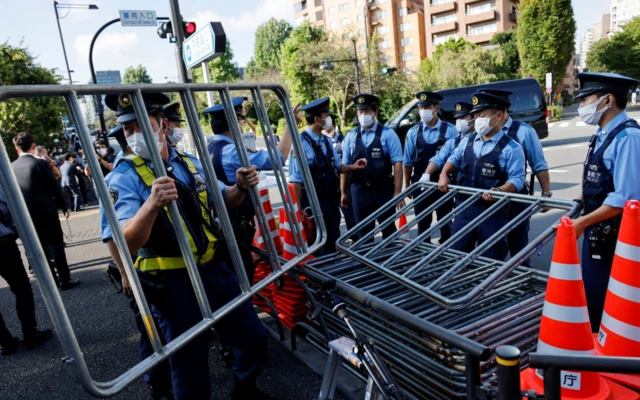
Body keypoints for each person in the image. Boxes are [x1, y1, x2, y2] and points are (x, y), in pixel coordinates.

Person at [103, 92, 268, 399]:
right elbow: (127, 241)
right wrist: (151, 204)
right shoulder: (123, 176)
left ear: (162, 125)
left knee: (254, 336)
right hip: (173, 284)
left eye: (142, 125)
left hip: (215, 271)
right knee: (188, 366)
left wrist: (241, 186)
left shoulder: (190, 163)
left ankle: (245, 388)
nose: (134, 134)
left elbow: (225, 199)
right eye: (128, 129)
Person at [569, 72, 640, 332]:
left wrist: (582, 223)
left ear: (607, 100)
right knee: (593, 295)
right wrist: (579, 203)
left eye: (586, 99)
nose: (582, 107)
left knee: (612, 303)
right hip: (599, 231)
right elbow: (598, 182)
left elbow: (627, 197)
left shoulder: (628, 138)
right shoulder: (602, 134)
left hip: (618, 238)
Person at [205, 96, 297, 281]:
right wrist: (290, 125)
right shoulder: (232, 151)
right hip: (236, 226)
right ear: (235, 121)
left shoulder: (211, 147)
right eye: (240, 119)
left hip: (219, 226)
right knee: (242, 277)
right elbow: (277, 159)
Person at [437, 91, 526, 260]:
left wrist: (500, 190)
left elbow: (517, 179)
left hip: (493, 212)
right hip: (465, 207)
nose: (477, 120)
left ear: (498, 116)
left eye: (482, 115)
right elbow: (453, 160)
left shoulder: (512, 148)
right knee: (456, 254)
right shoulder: (467, 141)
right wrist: (444, 174)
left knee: (491, 258)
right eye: (476, 116)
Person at [480, 89, 551, 264]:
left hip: (515, 200)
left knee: (518, 247)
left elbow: (539, 165)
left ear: (500, 113)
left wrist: (546, 194)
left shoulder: (524, 132)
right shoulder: (483, 132)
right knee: (492, 249)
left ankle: (524, 282)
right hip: (491, 201)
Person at [290, 97, 366, 255]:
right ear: (317, 119)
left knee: (332, 239)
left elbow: (336, 167)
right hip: (311, 202)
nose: (329, 119)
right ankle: (317, 278)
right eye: (326, 115)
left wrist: (353, 166)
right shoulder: (300, 142)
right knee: (316, 244)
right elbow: (296, 179)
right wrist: (297, 208)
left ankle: (332, 276)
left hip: (330, 201)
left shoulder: (325, 140)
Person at [11, 133, 80, 290]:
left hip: (25, 215)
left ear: (16, 149)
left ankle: (51, 281)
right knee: (56, 245)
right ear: (34, 146)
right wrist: (64, 205)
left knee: (39, 248)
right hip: (46, 211)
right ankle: (64, 279)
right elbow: (54, 185)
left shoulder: (11, 167)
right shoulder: (39, 164)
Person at [341, 94, 404, 243]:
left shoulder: (388, 134)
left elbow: (398, 163)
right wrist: (343, 192)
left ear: (375, 112)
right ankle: (367, 264)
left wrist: (397, 192)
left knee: (388, 230)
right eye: (360, 112)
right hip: (359, 190)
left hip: (383, 190)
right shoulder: (351, 137)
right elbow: (345, 166)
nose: (363, 115)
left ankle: (388, 263)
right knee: (363, 232)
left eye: (366, 111)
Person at [0, 185, 54, 356]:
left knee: (22, 289)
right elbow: (9, 208)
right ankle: (29, 333)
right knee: (22, 288)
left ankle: (6, 342)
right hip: (3, 244)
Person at [402, 91, 458, 242]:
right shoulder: (413, 132)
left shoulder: (450, 130)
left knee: (446, 222)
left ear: (436, 108)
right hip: (420, 183)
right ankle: (423, 256)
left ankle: (446, 255)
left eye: (427, 107)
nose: (423, 111)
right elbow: (407, 162)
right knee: (422, 223)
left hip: (443, 184)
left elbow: (456, 158)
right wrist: (408, 185)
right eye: (421, 107)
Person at [323, 113, 356, 233]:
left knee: (350, 217)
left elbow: (347, 161)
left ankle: (354, 238)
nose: (326, 129)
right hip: (328, 186)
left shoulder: (343, 140)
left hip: (343, 183)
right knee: (331, 220)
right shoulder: (320, 143)